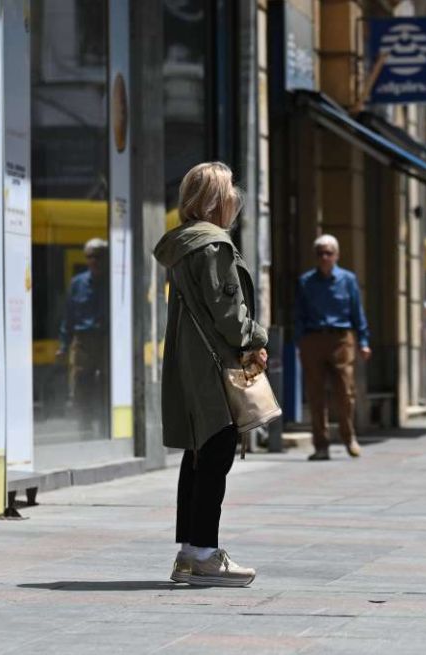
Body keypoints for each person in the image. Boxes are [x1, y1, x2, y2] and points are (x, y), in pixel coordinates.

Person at [154, 161, 267, 587]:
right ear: (218, 200)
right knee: (216, 451)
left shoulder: (182, 244)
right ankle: (203, 553)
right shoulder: (213, 245)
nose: (236, 199)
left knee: (199, 453)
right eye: (231, 192)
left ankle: (190, 552)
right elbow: (230, 316)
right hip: (214, 365)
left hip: (190, 361)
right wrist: (257, 338)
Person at [294, 234, 371, 461]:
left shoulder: (348, 280)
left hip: (341, 340)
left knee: (345, 392)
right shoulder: (306, 282)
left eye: (328, 253)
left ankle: (349, 437)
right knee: (316, 395)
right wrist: (300, 342)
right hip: (313, 339)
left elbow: (357, 312)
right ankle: (321, 446)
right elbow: (298, 314)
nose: (324, 257)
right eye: (320, 253)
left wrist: (364, 342)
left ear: (336, 255)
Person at [56, 238, 109, 435]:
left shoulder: (112, 282)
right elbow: (69, 316)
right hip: (83, 342)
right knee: (82, 385)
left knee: (107, 385)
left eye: (98, 256)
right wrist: (63, 345)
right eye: (89, 257)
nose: (94, 261)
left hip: (106, 340)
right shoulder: (78, 283)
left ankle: (106, 427)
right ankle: (85, 428)